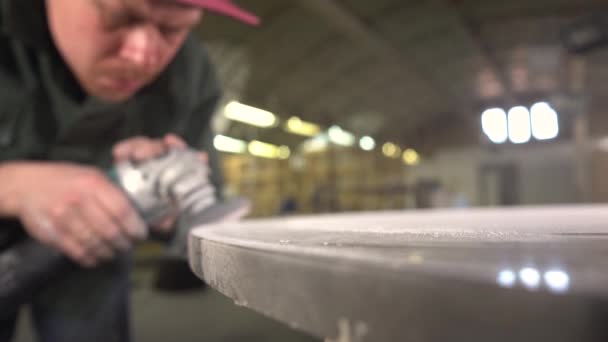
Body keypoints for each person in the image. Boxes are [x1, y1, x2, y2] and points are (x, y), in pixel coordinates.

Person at [0, 0, 259, 341]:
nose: (141, 55)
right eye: (118, 17)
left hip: (94, 250)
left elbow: (200, 211)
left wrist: (164, 206)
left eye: (171, 29)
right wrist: (15, 186)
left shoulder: (189, 74)